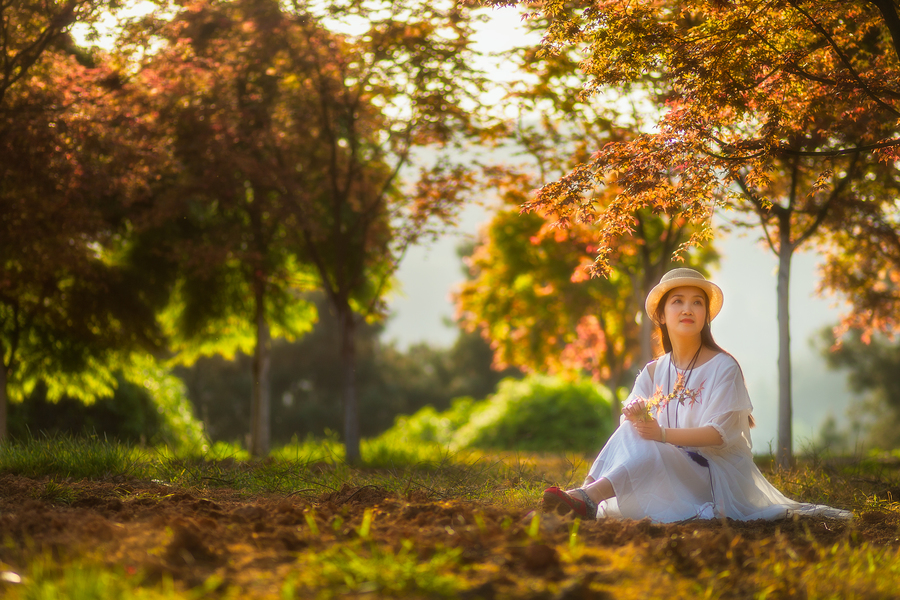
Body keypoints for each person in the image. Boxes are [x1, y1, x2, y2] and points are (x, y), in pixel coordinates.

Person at [542, 268, 852, 522]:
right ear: (662, 315)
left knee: (652, 445)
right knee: (630, 431)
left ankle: (588, 498)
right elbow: (632, 414)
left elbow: (719, 435)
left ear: (705, 316)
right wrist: (636, 411)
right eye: (677, 301)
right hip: (663, 472)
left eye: (697, 303)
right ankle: (580, 497)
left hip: (709, 478)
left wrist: (662, 433)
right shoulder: (653, 371)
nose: (688, 309)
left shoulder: (724, 367)